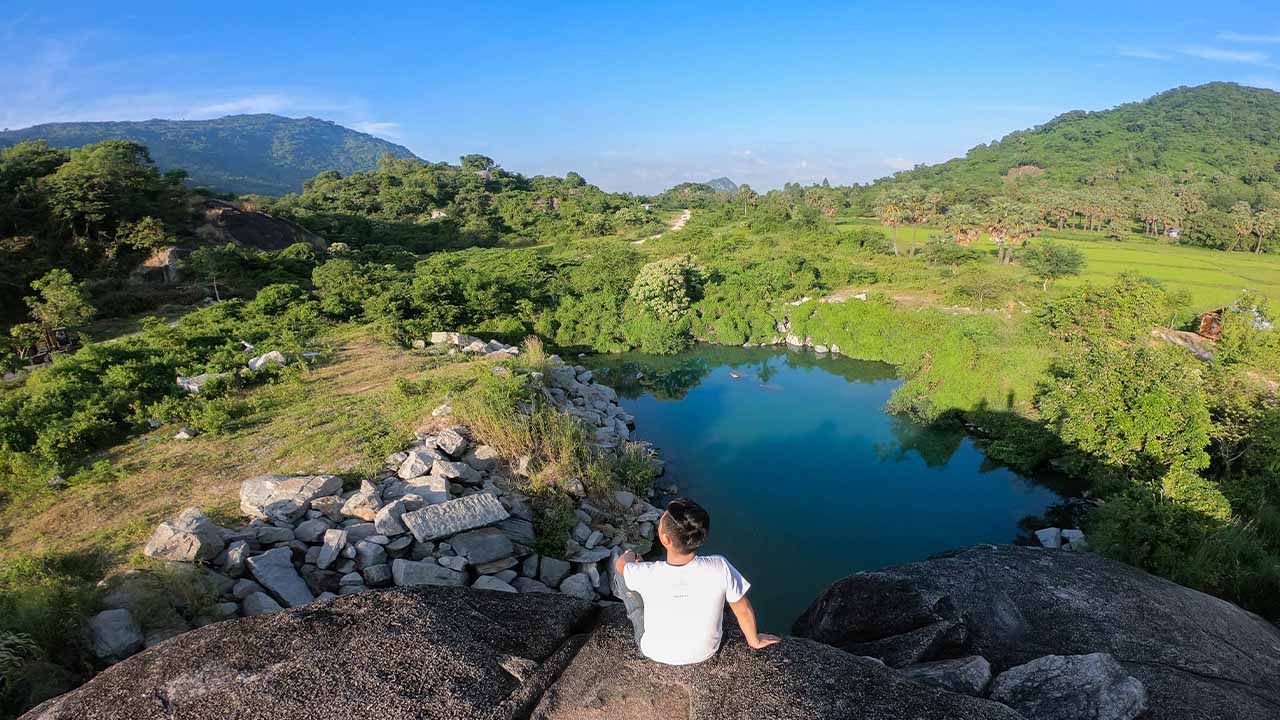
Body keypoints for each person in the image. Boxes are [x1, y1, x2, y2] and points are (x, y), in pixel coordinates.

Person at [610, 497, 780, 665]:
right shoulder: (720, 566)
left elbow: (620, 565)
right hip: (705, 652)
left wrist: (631, 555)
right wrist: (754, 640)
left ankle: (633, 604)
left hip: (655, 650)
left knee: (623, 574)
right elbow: (743, 609)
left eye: (660, 525)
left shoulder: (646, 572)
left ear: (665, 540)